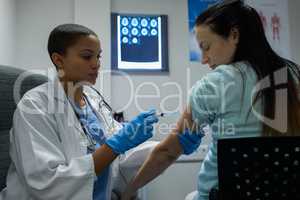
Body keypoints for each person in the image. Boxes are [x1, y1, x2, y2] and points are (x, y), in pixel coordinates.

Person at [121, 1, 300, 200]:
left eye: (206, 47)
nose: (203, 59)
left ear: (234, 35)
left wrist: (128, 191)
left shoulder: (215, 83)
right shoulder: (293, 75)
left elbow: (167, 152)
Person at [0, 23, 159, 200]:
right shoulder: (35, 106)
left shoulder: (94, 101)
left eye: (98, 57)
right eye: (87, 56)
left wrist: (166, 146)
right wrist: (116, 145)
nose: (96, 64)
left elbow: (120, 158)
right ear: (58, 60)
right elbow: (46, 183)